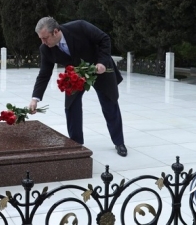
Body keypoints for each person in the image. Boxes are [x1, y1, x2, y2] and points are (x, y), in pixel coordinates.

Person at [29, 17, 127, 157]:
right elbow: (44, 74)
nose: (43, 42)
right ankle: (76, 143)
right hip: (75, 76)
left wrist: (102, 63)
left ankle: (119, 142)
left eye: (45, 38)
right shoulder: (45, 49)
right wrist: (35, 99)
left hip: (99, 69)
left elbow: (104, 39)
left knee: (110, 104)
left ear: (55, 32)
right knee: (71, 106)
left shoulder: (80, 27)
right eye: (41, 39)